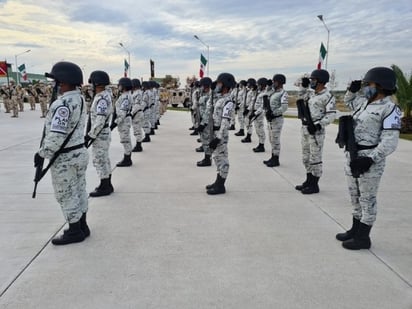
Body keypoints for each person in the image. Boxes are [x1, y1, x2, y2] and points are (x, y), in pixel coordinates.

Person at [336, 67, 401, 250]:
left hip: (370, 161)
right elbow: (348, 101)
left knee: (367, 198)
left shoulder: (390, 108)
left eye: (368, 84)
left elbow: (390, 142)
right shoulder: (364, 103)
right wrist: (352, 90)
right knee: (354, 195)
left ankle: (364, 238)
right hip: (353, 155)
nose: (366, 88)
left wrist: (370, 159)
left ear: (381, 86)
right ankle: (355, 229)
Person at [34, 61, 89, 245]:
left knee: (66, 193)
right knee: (80, 189)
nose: (54, 85)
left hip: (65, 157)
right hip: (79, 152)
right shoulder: (79, 99)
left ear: (63, 82)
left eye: (56, 81)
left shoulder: (63, 104)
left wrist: (43, 153)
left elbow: (56, 135)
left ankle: (74, 231)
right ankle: (82, 225)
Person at [295, 69, 336, 194]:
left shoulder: (328, 96)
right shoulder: (312, 94)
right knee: (306, 157)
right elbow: (301, 95)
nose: (312, 81)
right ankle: (308, 180)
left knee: (315, 158)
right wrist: (304, 83)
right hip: (306, 129)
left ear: (321, 81)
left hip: (316, 132)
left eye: (313, 79)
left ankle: (314, 184)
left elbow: (331, 116)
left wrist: (318, 125)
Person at [85, 70, 114, 197]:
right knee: (104, 159)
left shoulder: (102, 98)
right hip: (102, 133)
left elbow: (100, 120)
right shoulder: (103, 95)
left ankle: (105, 186)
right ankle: (107, 183)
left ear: (97, 83)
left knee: (99, 160)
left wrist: (90, 135)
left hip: (100, 134)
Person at [206, 73, 236, 195]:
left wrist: (218, 138)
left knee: (222, 158)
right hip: (215, 131)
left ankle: (221, 186)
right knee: (217, 157)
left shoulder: (228, 101)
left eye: (219, 82)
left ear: (225, 85)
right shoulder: (220, 98)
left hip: (220, 134)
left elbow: (225, 121)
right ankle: (218, 181)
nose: (217, 84)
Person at [263, 74, 288, 167]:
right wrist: (269, 87)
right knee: (271, 139)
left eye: (275, 81)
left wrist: (274, 113)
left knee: (275, 140)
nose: (273, 83)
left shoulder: (283, 93)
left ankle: (276, 159)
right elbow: (266, 96)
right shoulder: (272, 92)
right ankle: (272, 156)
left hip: (277, 119)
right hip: (270, 119)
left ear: (280, 82)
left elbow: (284, 107)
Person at [111, 77, 133, 166]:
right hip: (123, 121)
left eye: (119, 85)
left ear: (123, 86)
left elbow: (122, 113)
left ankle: (127, 159)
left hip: (123, 121)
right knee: (125, 139)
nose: (118, 86)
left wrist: (114, 123)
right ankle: (127, 157)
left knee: (125, 139)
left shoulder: (126, 97)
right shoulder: (124, 96)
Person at [196, 77, 213, 167]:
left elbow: (208, 111)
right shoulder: (203, 94)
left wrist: (203, 124)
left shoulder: (211, 95)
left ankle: (207, 159)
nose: (201, 87)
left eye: (202, 85)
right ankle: (206, 157)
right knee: (204, 139)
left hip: (206, 122)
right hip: (202, 120)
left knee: (207, 140)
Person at [131, 78, 145, 152]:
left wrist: (131, 113)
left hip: (137, 113)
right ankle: (138, 144)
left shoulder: (138, 93)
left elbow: (136, 105)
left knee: (137, 129)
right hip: (137, 113)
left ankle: (139, 145)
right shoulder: (136, 92)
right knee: (137, 129)